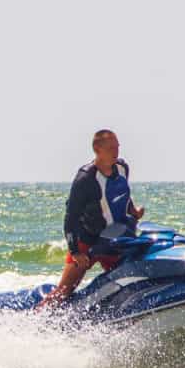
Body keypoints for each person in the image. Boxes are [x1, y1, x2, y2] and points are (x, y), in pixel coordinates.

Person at [37, 129, 145, 309]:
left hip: (115, 239)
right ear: (97, 149)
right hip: (87, 242)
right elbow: (70, 217)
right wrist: (75, 251)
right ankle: (38, 320)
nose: (116, 152)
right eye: (111, 148)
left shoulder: (122, 168)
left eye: (117, 147)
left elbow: (122, 193)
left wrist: (133, 211)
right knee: (64, 290)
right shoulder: (85, 178)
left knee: (128, 279)